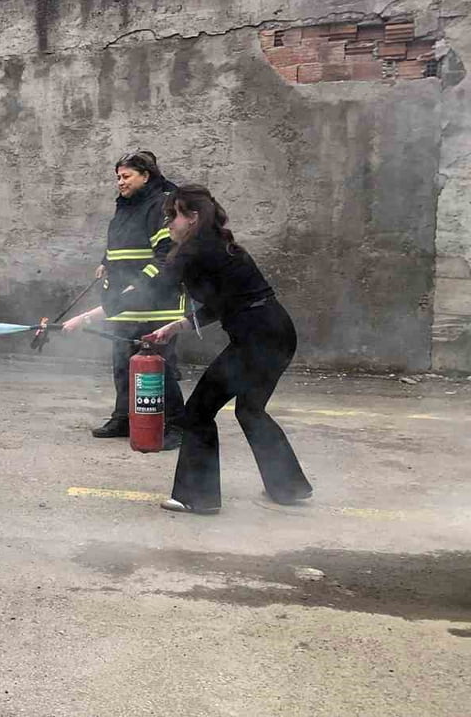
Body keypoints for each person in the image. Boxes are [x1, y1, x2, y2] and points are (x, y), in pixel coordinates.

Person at [79, 184, 313, 515]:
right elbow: (227, 301)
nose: (168, 224)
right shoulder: (214, 246)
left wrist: (88, 316)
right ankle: (288, 487)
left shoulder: (194, 251)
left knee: (198, 413)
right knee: (250, 410)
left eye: (172, 216)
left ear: (193, 218)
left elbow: (150, 288)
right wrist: (179, 324)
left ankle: (196, 497)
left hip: (256, 341)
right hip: (277, 334)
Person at [67, 151, 187, 448]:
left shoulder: (161, 205)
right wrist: (105, 262)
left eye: (126, 176)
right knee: (122, 361)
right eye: (118, 177)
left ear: (146, 176)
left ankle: (175, 425)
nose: (120, 182)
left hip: (157, 303)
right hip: (123, 301)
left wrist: (140, 284)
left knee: (159, 365)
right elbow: (120, 244)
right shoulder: (125, 208)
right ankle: (124, 417)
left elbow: (166, 254)